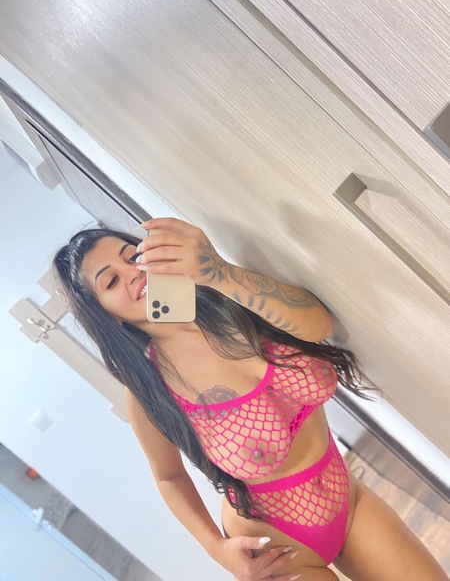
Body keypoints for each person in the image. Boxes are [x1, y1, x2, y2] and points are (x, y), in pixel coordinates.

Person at [53, 217, 447, 581]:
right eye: (111, 281)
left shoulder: (226, 298)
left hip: (346, 495)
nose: (133, 273)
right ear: (110, 315)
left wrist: (218, 272)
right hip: (276, 547)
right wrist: (216, 549)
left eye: (131, 256)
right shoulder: (148, 388)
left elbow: (317, 324)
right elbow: (168, 477)